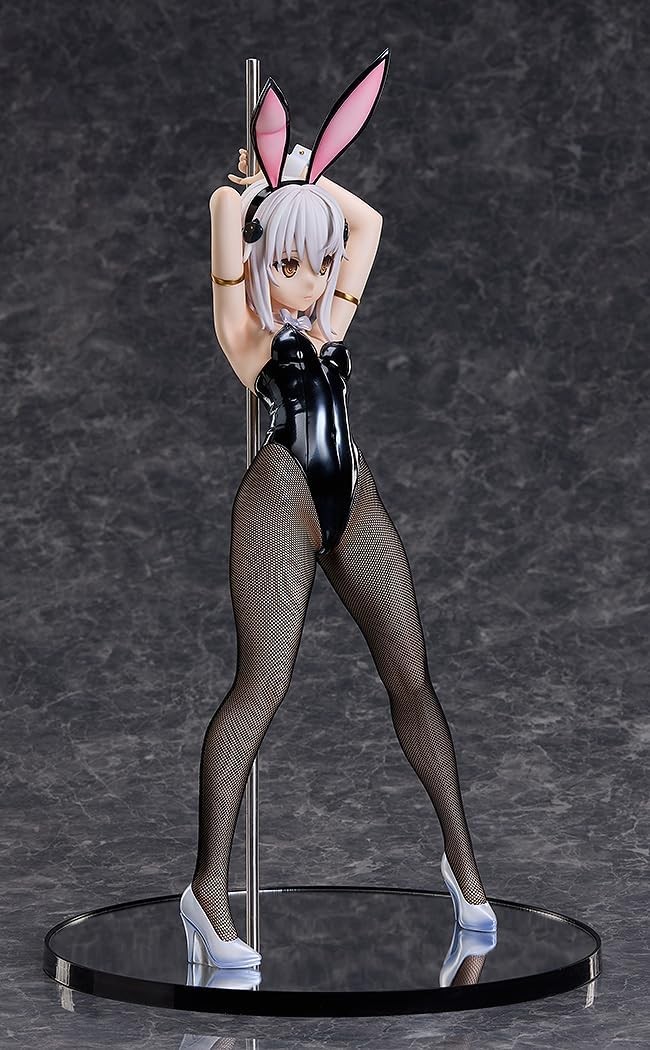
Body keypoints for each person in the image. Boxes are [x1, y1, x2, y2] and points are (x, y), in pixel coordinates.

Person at [179, 49, 497, 970]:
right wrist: (252, 191)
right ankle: (206, 891)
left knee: (413, 676)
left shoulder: (330, 324)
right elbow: (224, 215)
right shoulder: (247, 335)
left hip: (352, 495)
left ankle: (463, 867)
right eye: (291, 263)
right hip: (279, 498)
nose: (312, 279)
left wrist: (308, 181)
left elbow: (369, 224)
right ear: (259, 261)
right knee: (262, 687)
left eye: (319, 264)